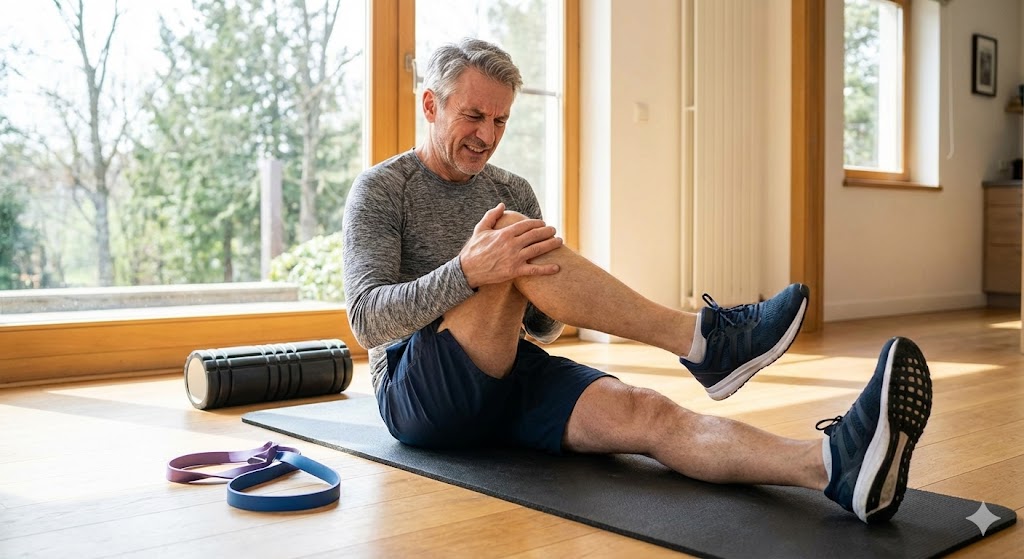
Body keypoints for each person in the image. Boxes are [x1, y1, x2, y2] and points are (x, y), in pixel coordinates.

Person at [342, 38, 933, 524]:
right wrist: (472, 271)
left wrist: (534, 286)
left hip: (509, 372)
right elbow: (367, 321)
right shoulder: (382, 188)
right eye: (473, 115)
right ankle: (703, 341)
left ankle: (835, 466)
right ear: (430, 105)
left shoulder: (511, 188)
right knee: (509, 242)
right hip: (420, 396)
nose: (488, 135)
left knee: (647, 410)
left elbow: (544, 329)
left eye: (500, 120)